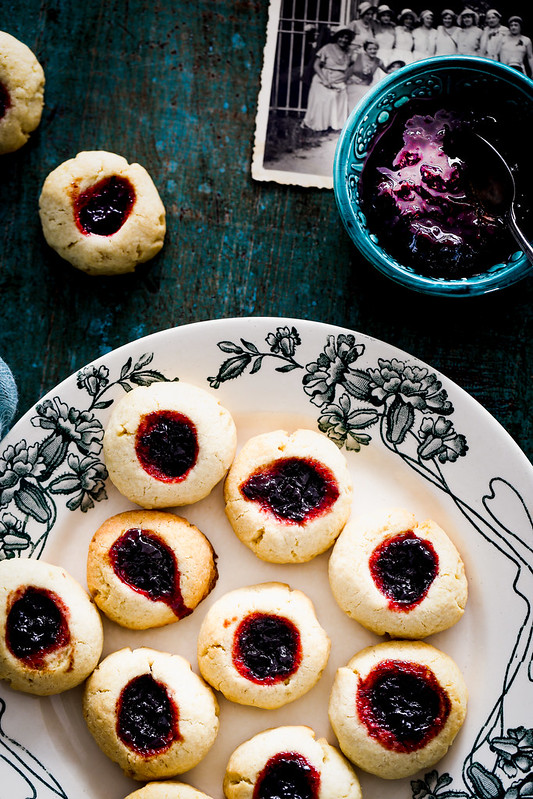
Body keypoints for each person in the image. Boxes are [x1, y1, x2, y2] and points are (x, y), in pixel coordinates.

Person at [301, 28, 355, 132]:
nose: (343, 40)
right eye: (341, 37)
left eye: (346, 38)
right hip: (323, 79)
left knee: (342, 95)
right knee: (327, 97)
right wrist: (325, 80)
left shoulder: (349, 51)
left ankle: (335, 124)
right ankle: (318, 125)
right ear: (337, 37)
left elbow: (350, 67)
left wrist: (345, 78)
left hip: (339, 81)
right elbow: (316, 65)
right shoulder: (327, 48)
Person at [346, 38, 386, 111]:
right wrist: (350, 78)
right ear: (365, 49)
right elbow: (346, 69)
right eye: (370, 49)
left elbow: (387, 71)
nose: (373, 51)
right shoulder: (356, 57)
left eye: (375, 49)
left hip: (366, 88)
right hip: (353, 87)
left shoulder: (379, 61)